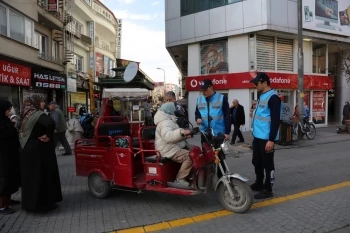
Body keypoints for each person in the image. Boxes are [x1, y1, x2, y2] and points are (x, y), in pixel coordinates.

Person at [18, 95, 62, 212]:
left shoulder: (24, 114)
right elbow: (50, 123)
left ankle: (29, 204)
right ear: (36, 102)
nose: (44, 104)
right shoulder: (38, 114)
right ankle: (43, 205)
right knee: (40, 177)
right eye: (42, 101)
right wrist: (48, 136)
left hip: (25, 151)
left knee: (29, 179)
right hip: (38, 151)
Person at [249, 72, 281, 199]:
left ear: (265, 82)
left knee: (268, 164)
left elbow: (275, 121)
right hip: (257, 136)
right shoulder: (262, 96)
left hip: (266, 138)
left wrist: (271, 140)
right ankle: (259, 183)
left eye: (257, 83)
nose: (255, 85)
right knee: (256, 161)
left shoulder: (273, 98)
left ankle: (268, 189)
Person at [195, 79, 231, 178]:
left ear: (211, 87)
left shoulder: (222, 98)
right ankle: (208, 177)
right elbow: (197, 113)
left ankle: (222, 178)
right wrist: (197, 118)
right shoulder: (199, 100)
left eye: (205, 90)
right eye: (202, 90)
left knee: (219, 157)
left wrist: (227, 132)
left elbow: (227, 116)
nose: (203, 92)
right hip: (205, 134)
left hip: (218, 134)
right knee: (207, 157)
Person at [154, 102, 192, 187]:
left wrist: (184, 136)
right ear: (170, 111)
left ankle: (189, 175)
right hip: (167, 149)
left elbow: (174, 135)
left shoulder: (169, 120)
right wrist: (181, 132)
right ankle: (180, 179)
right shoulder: (165, 122)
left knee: (193, 150)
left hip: (171, 146)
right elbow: (168, 136)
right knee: (189, 157)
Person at [0, 100, 21, 214]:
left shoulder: (5, 121)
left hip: (9, 154)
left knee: (10, 178)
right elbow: (4, 134)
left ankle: (7, 200)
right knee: (4, 179)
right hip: (3, 156)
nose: (9, 112)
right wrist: (12, 125)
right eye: (8, 110)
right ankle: (2, 206)